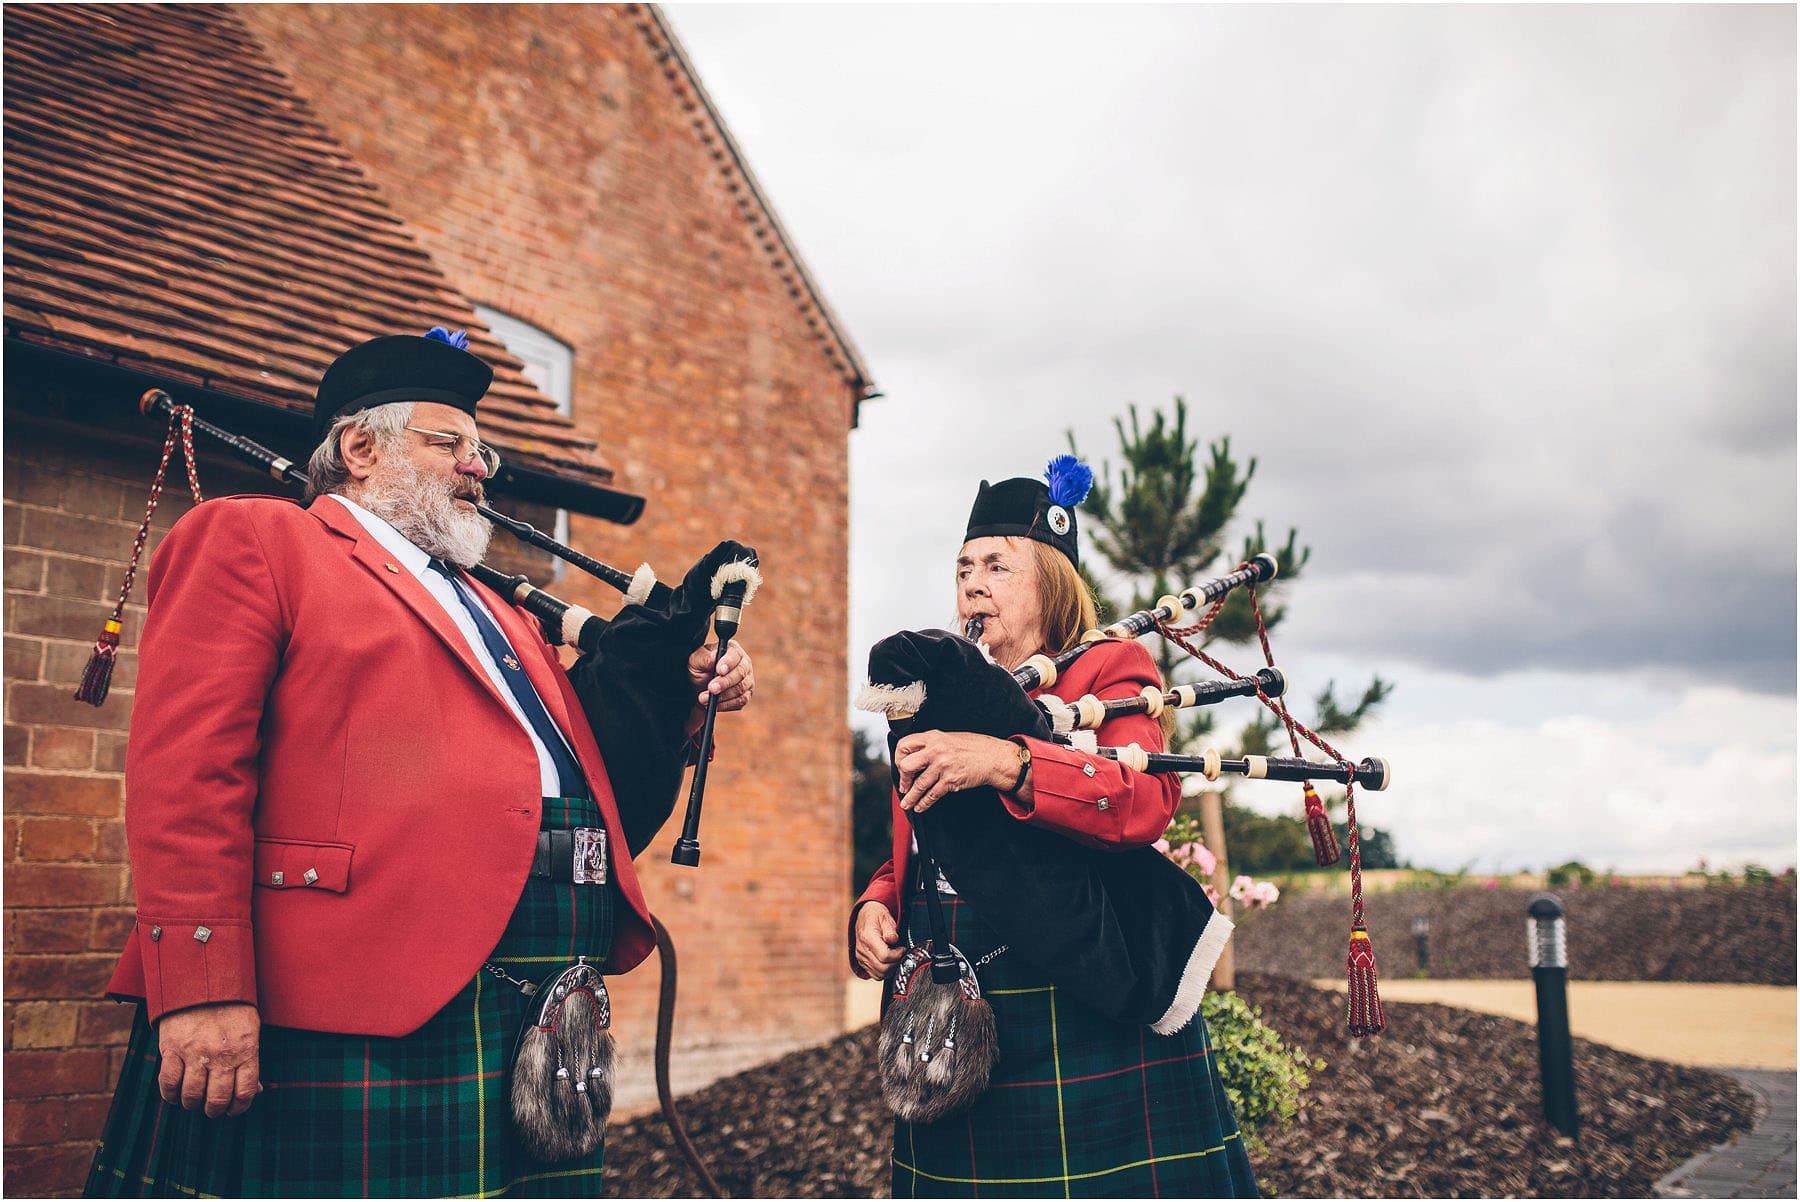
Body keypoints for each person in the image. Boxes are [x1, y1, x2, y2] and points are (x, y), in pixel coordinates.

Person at [84, 328, 754, 1198]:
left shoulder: (498, 609)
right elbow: (186, 776)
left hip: (540, 980)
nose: (480, 466)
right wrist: (201, 984)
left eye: (484, 449)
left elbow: (576, 764)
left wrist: (672, 685)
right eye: (452, 443)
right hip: (349, 990)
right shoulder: (259, 540)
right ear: (359, 449)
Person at [850, 461, 1258, 1198]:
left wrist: (1010, 761)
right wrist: (879, 900)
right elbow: (920, 833)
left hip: (1080, 983)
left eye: (997, 566)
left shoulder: (1108, 666)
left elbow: (1146, 798)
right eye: (963, 567)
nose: (972, 583)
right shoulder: (938, 687)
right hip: (958, 993)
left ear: (1050, 579)